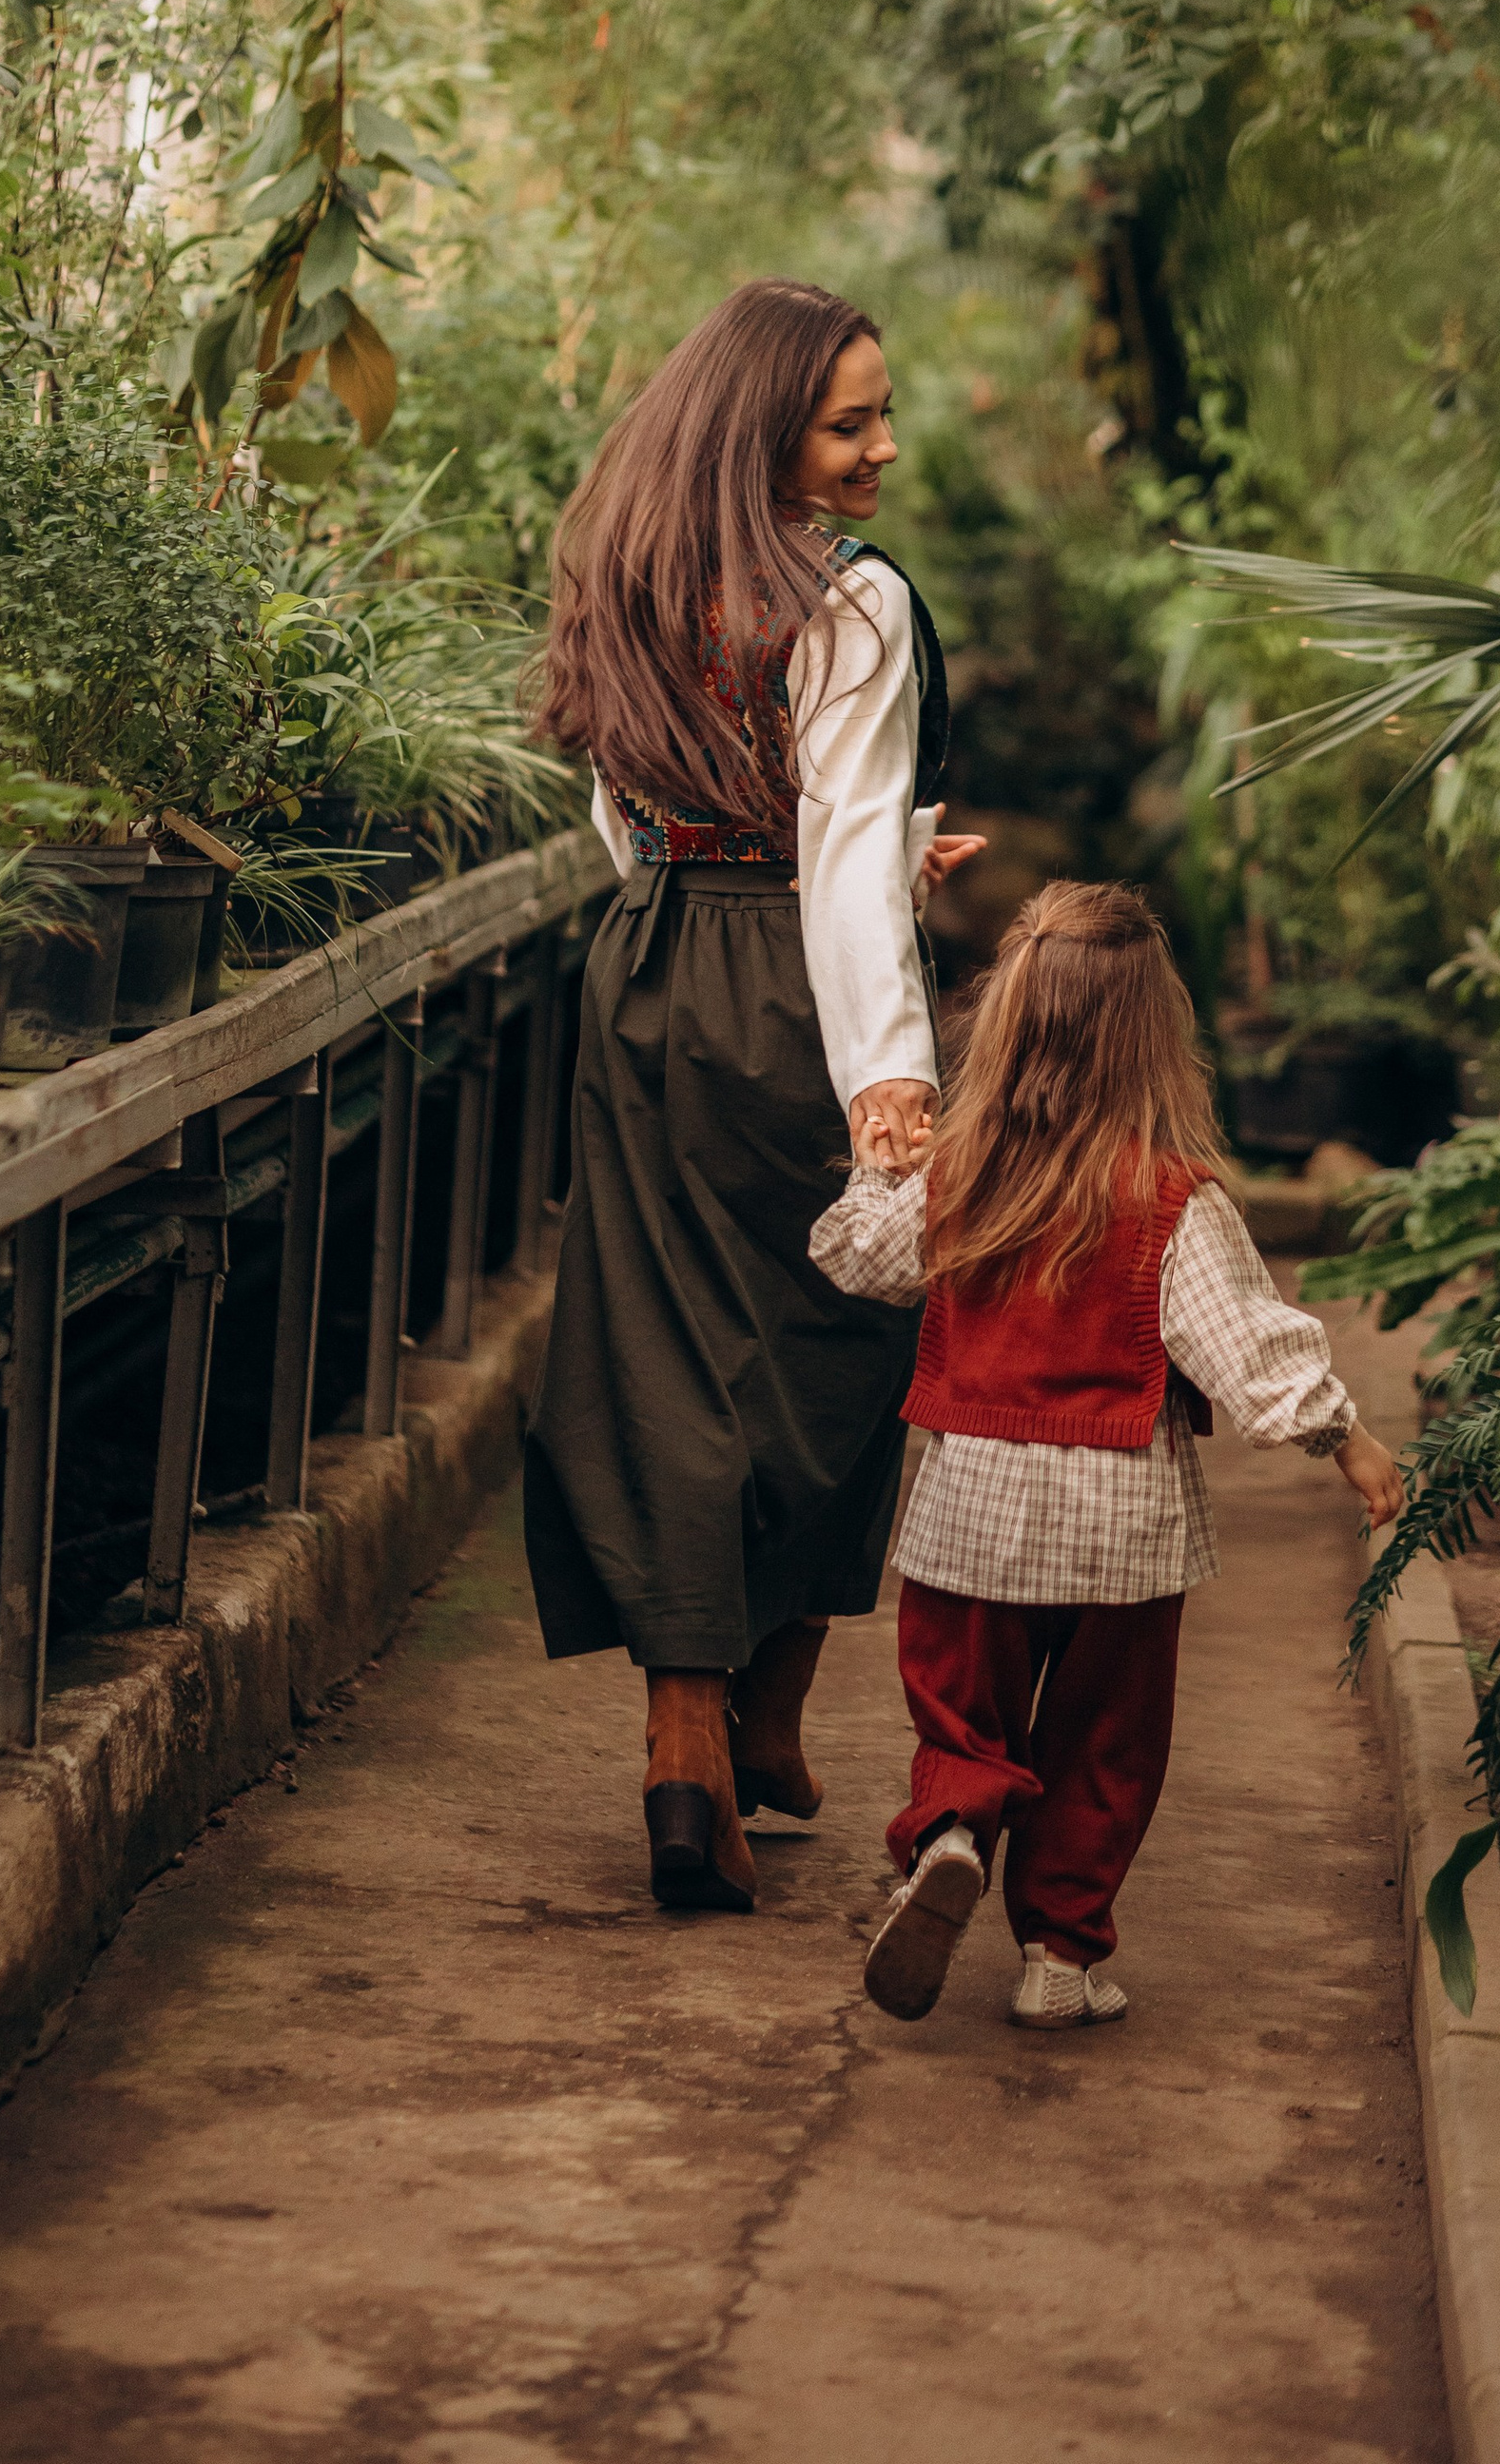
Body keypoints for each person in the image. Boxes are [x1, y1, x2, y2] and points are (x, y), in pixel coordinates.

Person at [528, 278, 985, 1915]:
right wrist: (892, 1078)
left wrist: (709, 878)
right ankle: (733, 1715)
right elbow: (849, 854)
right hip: (799, 988)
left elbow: (623, 797)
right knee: (853, 1333)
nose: (879, 445)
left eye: (878, 412)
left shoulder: (635, 563)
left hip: (646, 967)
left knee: (663, 1349)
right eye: (847, 419)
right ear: (767, 424)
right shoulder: (851, 605)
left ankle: (705, 1741)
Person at [862, 877, 1406, 2030]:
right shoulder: (1171, 1198)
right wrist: (1348, 1441)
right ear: (1157, 1035)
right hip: (1125, 1526)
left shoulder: (957, 1176)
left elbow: (860, 1259)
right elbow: (1246, 1353)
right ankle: (1058, 1956)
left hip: (969, 1509)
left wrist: (882, 1158)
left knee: (962, 1713)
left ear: (1006, 1018)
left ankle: (952, 1828)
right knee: (1104, 1744)